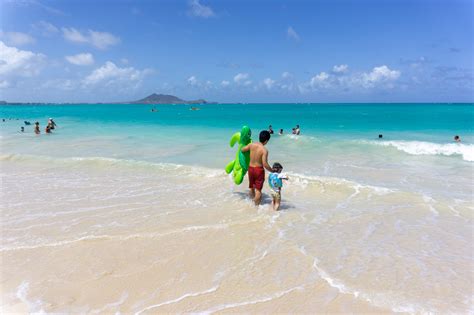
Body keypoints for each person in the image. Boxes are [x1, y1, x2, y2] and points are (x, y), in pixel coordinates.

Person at [241, 130, 273, 206]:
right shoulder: (264, 150)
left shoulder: (251, 145)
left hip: (250, 169)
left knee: (252, 187)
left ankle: (250, 202)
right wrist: (272, 170)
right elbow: (265, 164)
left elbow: (242, 150)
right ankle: (255, 206)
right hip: (259, 170)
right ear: (266, 141)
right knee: (258, 190)